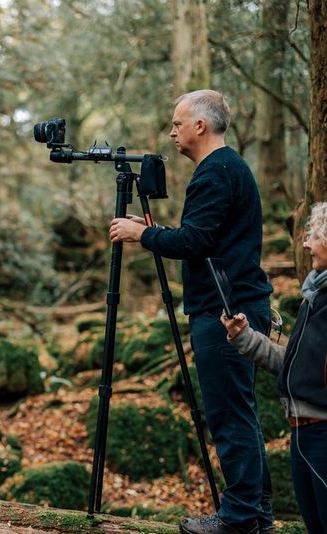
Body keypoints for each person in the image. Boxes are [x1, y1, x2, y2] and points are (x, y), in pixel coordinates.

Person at [109, 89, 274, 534]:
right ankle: (256, 513)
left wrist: (139, 236)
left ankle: (240, 518)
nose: (172, 131)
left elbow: (195, 243)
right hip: (238, 304)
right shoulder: (229, 167)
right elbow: (205, 236)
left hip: (225, 312)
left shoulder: (215, 172)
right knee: (241, 412)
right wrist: (158, 232)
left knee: (228, 415)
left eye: (178, 123)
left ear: (201, 125)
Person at [221, 202, 327, 534]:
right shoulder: (316, 297)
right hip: (302, 434)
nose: (307, 243)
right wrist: (245, 338)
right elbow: (295, 367)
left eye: (315, 234)